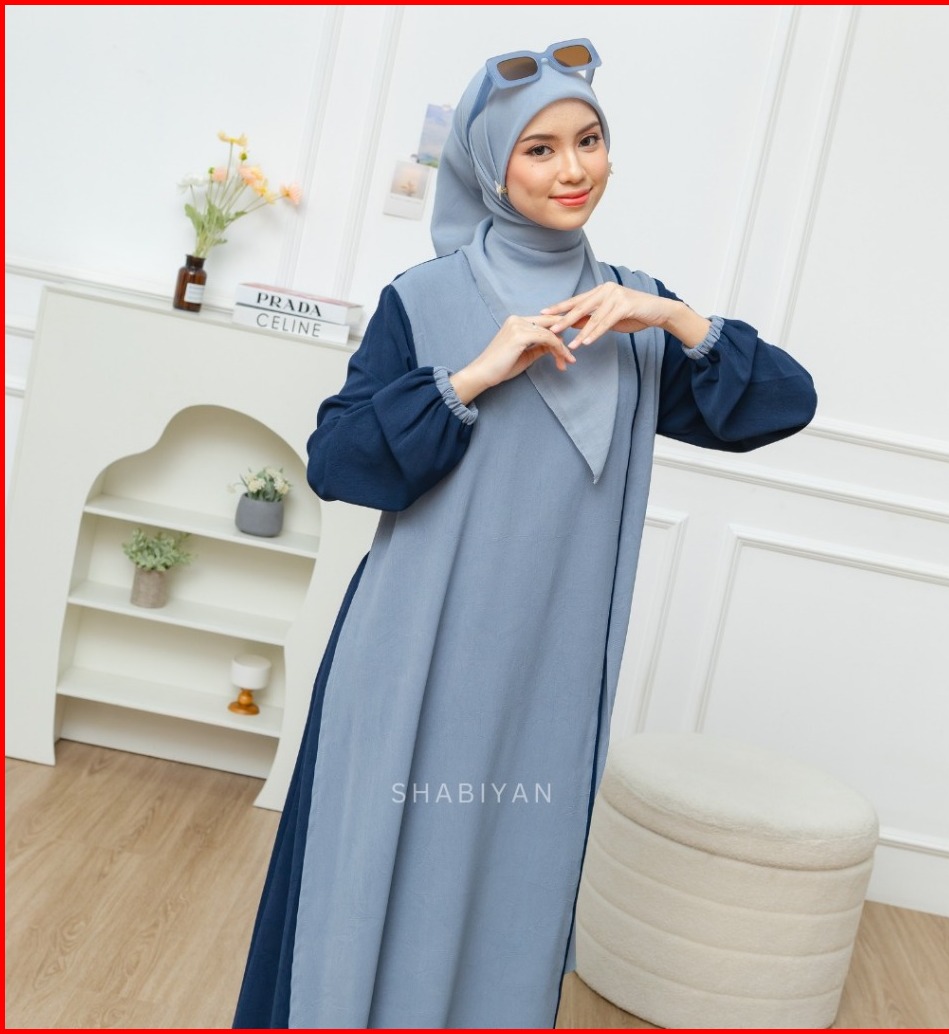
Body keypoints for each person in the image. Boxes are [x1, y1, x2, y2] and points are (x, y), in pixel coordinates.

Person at [233, 38, 817, 1029]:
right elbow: (337, 462)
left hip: (547, 681)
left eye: (588, 140)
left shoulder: (627, 313)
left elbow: (782, 404)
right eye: (539, 149)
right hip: (411, 662)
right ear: (491, 166)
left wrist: (672, 316)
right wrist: (472, 375)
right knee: (368, 873)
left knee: (511, 888)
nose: (572, 168)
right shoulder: (425, 299)